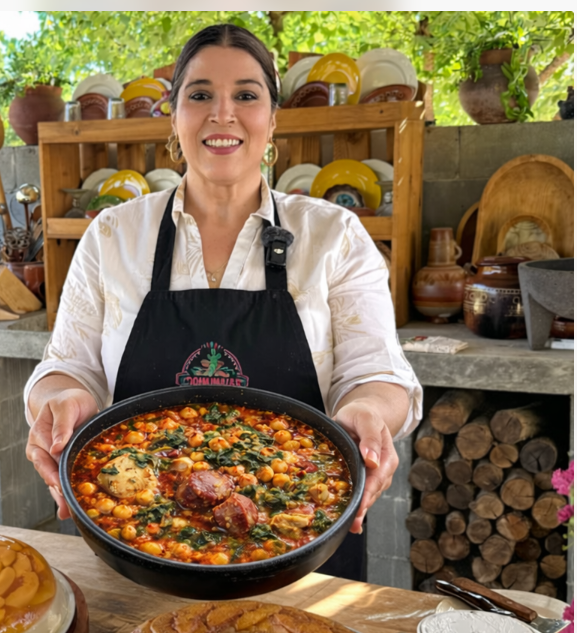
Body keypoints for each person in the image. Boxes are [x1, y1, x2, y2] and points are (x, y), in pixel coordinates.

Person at [24, 24, 422, 581]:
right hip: (137, 554)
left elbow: (375, 371)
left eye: (247, 95)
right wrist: (60, 400)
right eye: (201, 94)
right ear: (174, 115)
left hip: (304, 547)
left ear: (273, 118)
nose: (223, 114)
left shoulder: (335, 235)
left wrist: (370, 413)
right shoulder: (113, 235)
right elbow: (67, 367)